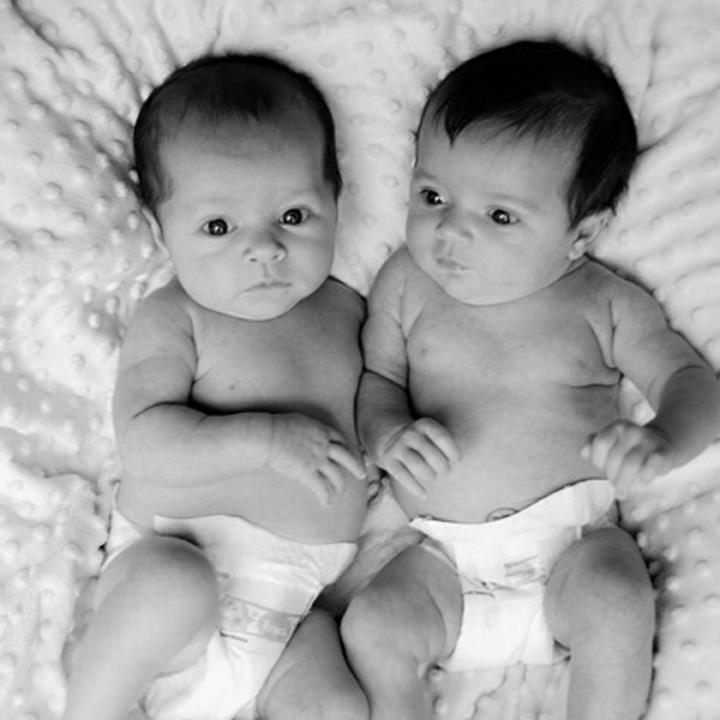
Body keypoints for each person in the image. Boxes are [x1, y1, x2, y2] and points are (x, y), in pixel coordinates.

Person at [340, 40, 720, 720]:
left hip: (571, 546)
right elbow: (378, 380)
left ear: (581, 234)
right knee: (371, 625)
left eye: (500, 215)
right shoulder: (404, 282)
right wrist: (388, 433)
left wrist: (665, 437)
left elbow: (692, 381)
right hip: (443, 557)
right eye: (432, 195)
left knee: (617, 600)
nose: (451, 231)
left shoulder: (603, 301)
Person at [62, 52, 369, 720]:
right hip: (172, 599)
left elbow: (376, 403)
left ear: (335, 198)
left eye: (293, 215)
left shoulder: (349, 311)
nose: (264, 249)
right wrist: (265, 441)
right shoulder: (177, 315)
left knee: (338, 705)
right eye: (218, 227)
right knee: (171, 584)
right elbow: (145, 442)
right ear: (162, 231)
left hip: (289, 623)